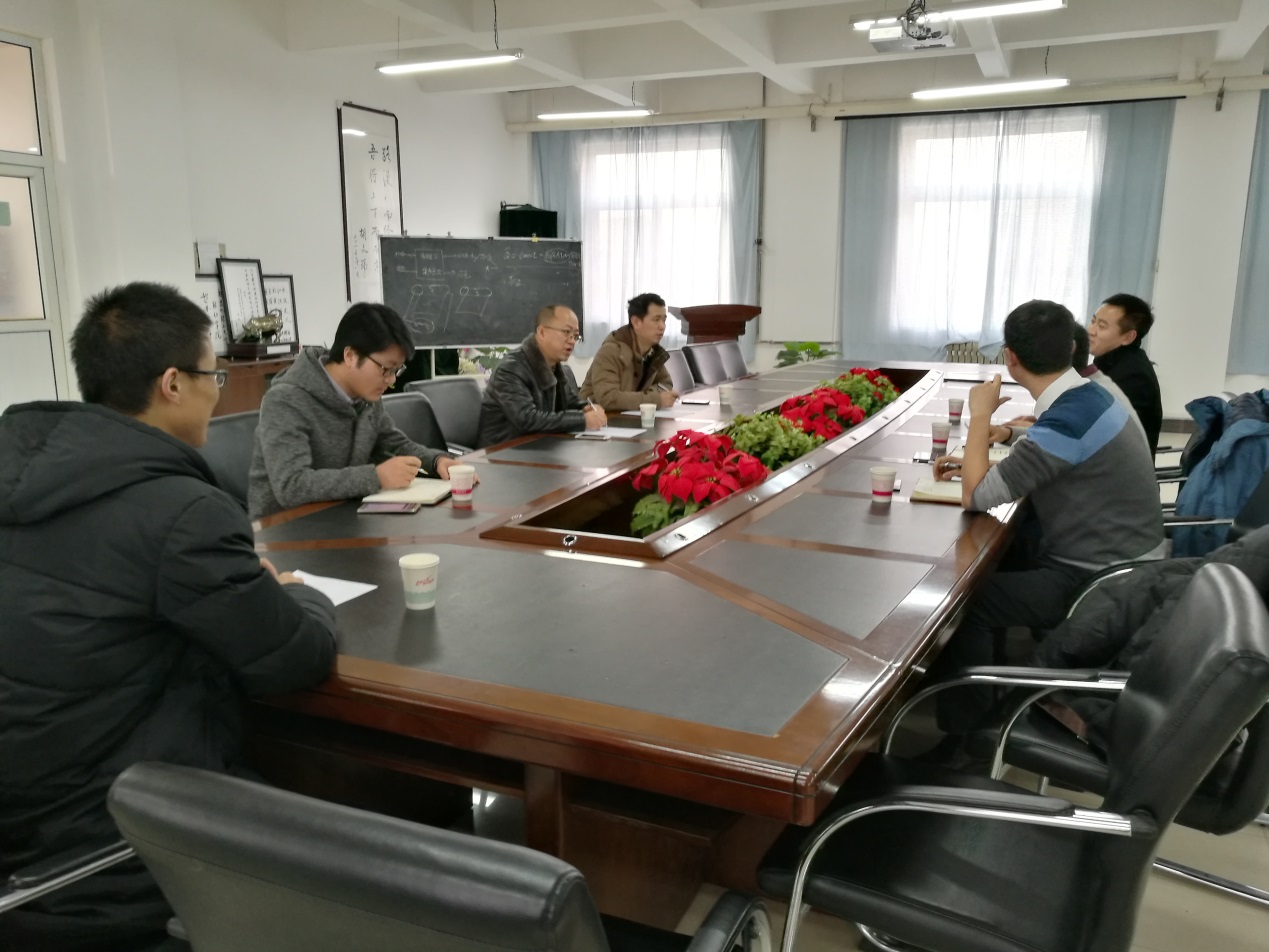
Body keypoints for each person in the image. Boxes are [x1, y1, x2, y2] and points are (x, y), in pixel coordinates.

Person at [0, 282, 337, 952]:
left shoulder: (22, 479)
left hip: (23, 835)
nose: (219, 392)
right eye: (215, 375)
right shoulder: (182, 512)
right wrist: (299, 592)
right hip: (123, 855)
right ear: (173, 384)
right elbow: (295, 657)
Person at [928, 299, 1165, 748]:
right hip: (1132, 562)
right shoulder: (1091, 394)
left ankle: (967, 742)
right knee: (998, 557)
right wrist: (1001, 446)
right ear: (1073, 347)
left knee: (964, 603)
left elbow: (976, 496)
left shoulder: (1069, 417)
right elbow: (1058, 446)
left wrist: (981, 416)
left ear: (1010, 357)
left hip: (1102, 582)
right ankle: (983, 687)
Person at [248, 302, 461, 519]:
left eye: (396, 370)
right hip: (286, 528)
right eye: (386, 369)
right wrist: (376, 477)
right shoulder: (285, 401)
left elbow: (394, 444)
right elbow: (291, 486)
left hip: (345, 517)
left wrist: (437, 461)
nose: (391, 380)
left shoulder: (365, 395)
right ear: (350, 356)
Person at [476, 304, 606, 447]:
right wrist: (583, 420)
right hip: (504, 451)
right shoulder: (511, 369)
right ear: (542, 332)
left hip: (541, 446)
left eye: (575, 336)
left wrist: (586, 409)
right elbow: (527, 420)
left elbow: (570, 403)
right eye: (566, 332)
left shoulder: (556, 367)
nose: (572, 341)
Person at [1088, 292, 1163, 455]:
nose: (1091, 331)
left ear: (1128, 337)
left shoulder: (1133, 376)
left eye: (1101, 326)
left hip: (1116, 465)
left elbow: (1097, 429)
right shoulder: (1109, 361)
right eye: (1093, 321)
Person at [579, 292, 678, 413]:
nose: (662, 326)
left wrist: (646, 398)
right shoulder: (611, 351)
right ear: (636, 322)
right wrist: (654, 400)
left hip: (629, 415)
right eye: (656, 320)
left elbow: (665, 384)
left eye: (664, 320)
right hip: (601, 418)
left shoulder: (652, 351)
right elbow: (608, 398)